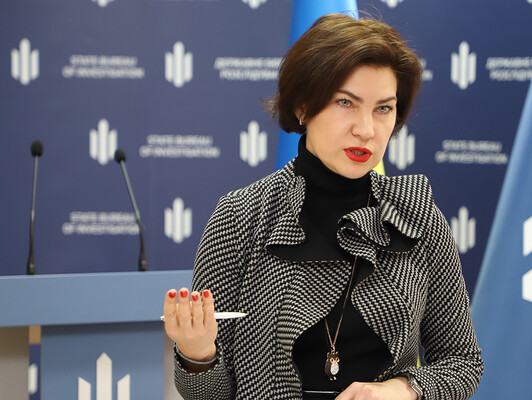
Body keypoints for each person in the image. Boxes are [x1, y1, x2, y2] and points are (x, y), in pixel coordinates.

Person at [163, 13, 483, 400]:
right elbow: (207, 396)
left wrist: (403, 389)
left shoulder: (415, 214)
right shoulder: (241, 215)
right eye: (345, 103)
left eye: (383, 108)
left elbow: (463, 362)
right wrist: (197, 353)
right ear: (303, 106)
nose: (366, 129)